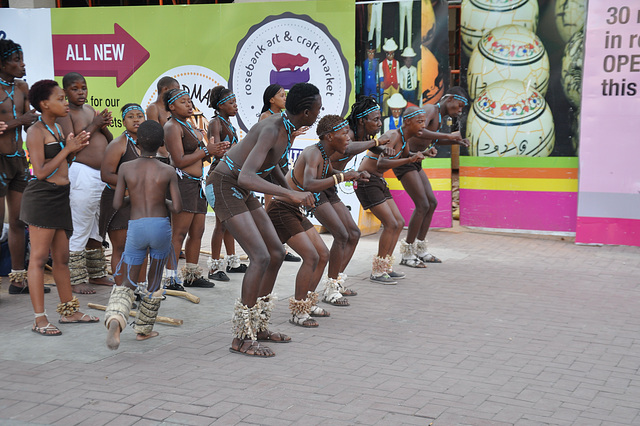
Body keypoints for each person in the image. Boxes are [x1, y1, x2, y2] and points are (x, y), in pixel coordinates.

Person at [210, 82, 319, 357]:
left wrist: (292, 193)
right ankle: (241, 337)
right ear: (306, 112)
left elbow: (271, 168)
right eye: (317, 109)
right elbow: (247, 176)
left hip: (240, 188)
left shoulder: (287, 128)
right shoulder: (272, 128)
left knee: (275, 252)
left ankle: (258, 326)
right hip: (225, 185)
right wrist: (288, 194)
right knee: (260, 256)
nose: (319, 113)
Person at [22, 79, 98, 336]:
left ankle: (69, 312)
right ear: (44, 104)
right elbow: (41, 172)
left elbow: (61, 162)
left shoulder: (54, 128)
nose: (65, 103)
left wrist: (73, 149)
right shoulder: (36, 131)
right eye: (60, 98)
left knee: (62, 259)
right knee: (39, 259)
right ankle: (39, 319)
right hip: (43, 198)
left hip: (60, 196)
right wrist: (67, 149)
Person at [277, 115, 370, 320]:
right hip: (281, 208)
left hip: (294, 209)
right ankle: (298, 311)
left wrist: (353, 173)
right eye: (344, 133)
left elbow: (328, 172)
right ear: (329, 136)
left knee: (322, 255)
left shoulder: (324, 154)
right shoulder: (313, 153)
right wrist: (343, 176)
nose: (348, 137)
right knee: (310, 256)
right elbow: (310, 183)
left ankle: (307, 303)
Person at [105, 120, 182, 350]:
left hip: (136, 226)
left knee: (128, 280)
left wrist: (135, 199)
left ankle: (116, 321)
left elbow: (117, 203)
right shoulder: (168, 170)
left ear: (136, 143)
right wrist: (162, 201)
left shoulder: (126, 168)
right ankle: (143, 330)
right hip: (161, 227)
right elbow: (177, 207)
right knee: (154, 279)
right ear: (162, 145)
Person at [321, 97, 395, 295]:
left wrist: (381, 149)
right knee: (343, 235)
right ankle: (330, 286)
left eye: (380, 120)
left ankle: (335, 282)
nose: (379, 124)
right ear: (362, 121)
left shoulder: (362, 136)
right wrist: (377, 142)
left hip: (330, 187)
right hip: (318, 187)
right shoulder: (350, 135)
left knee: (352, 234)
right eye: (375, 120)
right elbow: (348, 148)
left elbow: (367, 146)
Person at [355, 106, 428, 283]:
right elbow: (381, 163)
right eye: (419, 122)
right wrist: (409, 160)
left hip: (378, 181)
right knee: (390, 223)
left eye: (424, 122)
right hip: (367, 182)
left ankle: (385, 266)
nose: (423, 126)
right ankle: (378, 272)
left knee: (398, 222)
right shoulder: (393, 135)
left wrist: (422, 154)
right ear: (407, 121)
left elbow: (405, 155)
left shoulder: (404, 139)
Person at [56, 72, 114, 295]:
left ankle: (97, 273)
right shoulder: (66, 113)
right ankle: (77, 278)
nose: (81, 92)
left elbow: (108, 139)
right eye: (75, 89)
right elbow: (73, 144)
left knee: (98, 229)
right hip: (82, 173)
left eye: (84, 88)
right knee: (80, 226)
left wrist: (104, 125)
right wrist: (95, 124)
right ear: (65, 92)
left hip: (102, 175)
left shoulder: (90, 110)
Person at [399, 88, 470, 264]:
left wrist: (455, 140)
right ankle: (407, 253)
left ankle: (421, 249)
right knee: (422, 204)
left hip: (415, 161)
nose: (460, 110)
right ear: (450, 99)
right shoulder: (430, 109)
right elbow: (419, 132)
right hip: (404, 159)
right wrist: (448, 135)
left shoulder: (438, 117)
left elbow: (433, 139)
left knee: (432, 203)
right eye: (459, 105)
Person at [162, 89, 220, 289]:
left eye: (190, 101)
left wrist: (212, 151)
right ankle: (170, 278)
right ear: (171, 106)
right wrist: (206, 150)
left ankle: (192, 275)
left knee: (198, 230)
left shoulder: (189, 124)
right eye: (183, 102)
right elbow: (178, 160)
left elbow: (198, 154)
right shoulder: (171, 127)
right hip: (182, 184)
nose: (189, 105)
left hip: (195, 185)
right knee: (178, 233)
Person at [0, 39, 40, 295]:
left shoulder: (22, 87)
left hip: (19, 161)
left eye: (22, 58)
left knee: (18, 221)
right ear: (2, 64)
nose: (21, 64)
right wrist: (20, 120)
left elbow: (28, 124)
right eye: (15, 60)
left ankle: (18, 279)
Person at [259, 84, 307, 263]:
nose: (285, 98)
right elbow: (265, 146)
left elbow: (285, 148)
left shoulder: (284, 118)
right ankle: (271, 246)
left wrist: (293, 135)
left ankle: (279, 246)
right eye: (281, 95)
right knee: (271, 206)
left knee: (280, 205)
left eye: (285, 95)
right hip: (271, 166)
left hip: (282, 164)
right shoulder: (266, 117)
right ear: (271, 99)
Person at [99, 104, 146, 286]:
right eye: (131, 116)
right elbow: (106, 175)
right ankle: (121, 290)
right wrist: (131, 186)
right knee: (121, 248)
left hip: (141, 204)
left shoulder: (149, 143)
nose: (136, 119)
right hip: (119, 202)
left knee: (143, 248)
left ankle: (141, 288)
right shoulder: (118, 144)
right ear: (123, 121)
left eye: (140, 116)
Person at [204, 86, 242, 281]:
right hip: (218, 177)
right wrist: (237, 149)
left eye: (235, 102)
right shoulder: (216, 124)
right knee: (220, 223)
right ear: (220, 105)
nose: (235, 106)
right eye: (231, 103)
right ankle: (214, 267)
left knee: (228, 223)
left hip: (229, 177)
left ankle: (232, 261)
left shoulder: (228, 123)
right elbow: (217, 151)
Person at [145, 76, 179, 162]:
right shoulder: (153, 108)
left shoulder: (173, 108)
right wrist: (167, 156)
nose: (178, 93)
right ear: (165, 89)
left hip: (173, 156)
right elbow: (156, 136)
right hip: (161, 157)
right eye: (175, 90)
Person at [379, 38, 400, 115]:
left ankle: (395, 114)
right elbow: (381, 73)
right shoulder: (382, 64)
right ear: (386, 54)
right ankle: (385, 114)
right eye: (388, 54)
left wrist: (399, 83)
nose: (390, 56)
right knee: (385, 100)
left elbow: (397, 72)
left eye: (392, 54)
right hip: (386, 85)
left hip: (394, 84)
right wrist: (381, 81)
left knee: (395, 99)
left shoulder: (396, 63)